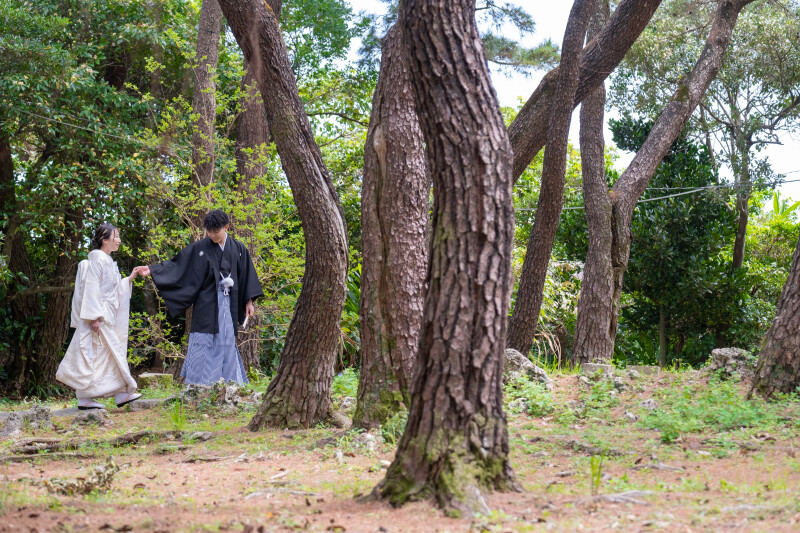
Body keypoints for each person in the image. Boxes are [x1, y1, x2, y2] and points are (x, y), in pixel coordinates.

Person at [138, 209, 263, 385]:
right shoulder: (200, 248)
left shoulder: (238, 248)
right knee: (202, 340)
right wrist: (152, 269)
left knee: (226, 341)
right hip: (206, 302)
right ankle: (199, 384)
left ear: (226, 227)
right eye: (209, 231)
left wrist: (249, 302)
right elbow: (179, 265)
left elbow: (246, 275)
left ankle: (230, 383)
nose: (212, 235)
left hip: (228, 302)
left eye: (216, 231)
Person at [56, 224, 144, 410]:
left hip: (106, 315)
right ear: (105, 239)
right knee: (97, 356)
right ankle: (88, 397)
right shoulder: (97, 259)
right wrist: (93, 317)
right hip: (98, 317)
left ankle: (120, 394)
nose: (119, 240)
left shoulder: (107, 260)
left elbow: (112, 290)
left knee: (109, 355)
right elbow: (92, 287)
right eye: (116, 236)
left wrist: (129, 279)